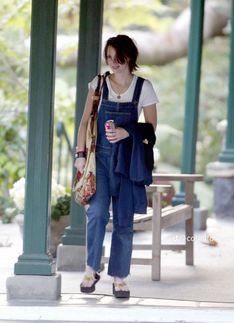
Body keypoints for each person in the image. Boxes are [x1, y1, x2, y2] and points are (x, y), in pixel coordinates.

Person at [74, 34, 158, 298]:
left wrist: (126, 132)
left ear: (129, 57)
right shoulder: (98, 84)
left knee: (123, 221)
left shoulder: (143, 88)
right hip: (99, 159)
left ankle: (120, 277)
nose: (113, 63)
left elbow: (151, 129)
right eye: (109, 58)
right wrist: (79, 154)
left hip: (128, 162)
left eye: (118, 58)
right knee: (97, 213)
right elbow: (85, 121)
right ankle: (90, 268)